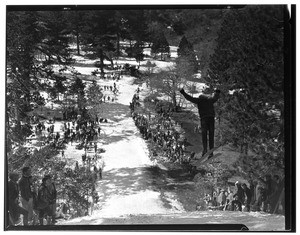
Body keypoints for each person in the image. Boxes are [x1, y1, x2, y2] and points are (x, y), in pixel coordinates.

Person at [179, 88, 221, 157]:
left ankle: (205, 150)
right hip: (211, 118)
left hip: (204, 119)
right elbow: (215, 97)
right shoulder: (210, 100)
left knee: (204, 135)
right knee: (211, 135)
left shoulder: (199, 100)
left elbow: (189, 98)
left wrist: (183, 92)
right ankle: (211, 152)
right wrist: (217, 92)